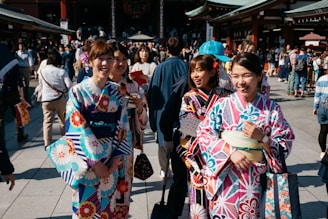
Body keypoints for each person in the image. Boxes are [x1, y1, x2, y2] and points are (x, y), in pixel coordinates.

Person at [195, 52, 295, 218]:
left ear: (259, 76)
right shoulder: (222, 105)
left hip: (256, 180)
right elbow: (204, 133)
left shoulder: (271, 108)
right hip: (225, 179)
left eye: (247, 75)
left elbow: (285, 142)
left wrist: (263, 138)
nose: (240, 82)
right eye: (235, 76)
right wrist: (230, 152)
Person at [47, 39, 131, 218]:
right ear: (90, 60)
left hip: (111, 157)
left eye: (109, 59)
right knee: (87, 208)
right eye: (100, 58)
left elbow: (123, 124)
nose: (105, 63)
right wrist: (96, 162)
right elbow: (76, 128)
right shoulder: (78, 91)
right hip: (87, 159)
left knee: (108, 207)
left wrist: (116, 159)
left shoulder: (116, 91)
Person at [177, 54, 224, 218]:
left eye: (200, 70)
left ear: (212, 72)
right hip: (198, 156)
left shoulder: (225, 96)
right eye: (192, 71)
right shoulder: (189, 98)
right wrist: (216, 130)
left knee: (222, 199)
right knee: (199, 201)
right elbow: (187, 128)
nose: (195, 75)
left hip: (223, 156)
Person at [148, 36, 189, 218]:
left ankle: (165, 169)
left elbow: (152, 94)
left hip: (163, 114)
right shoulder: (186, 67)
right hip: (184, 120)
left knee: (163, 144)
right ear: (182, 48)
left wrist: (153, 120)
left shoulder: (160, 68)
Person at [108, 40, 148, 218]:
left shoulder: (132, 86)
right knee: (104, 193)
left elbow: (144, 121)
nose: (121, 63)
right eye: (117, 59)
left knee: (124, 192)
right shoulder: (98, 86)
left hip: (126, 149)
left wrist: (140, 108)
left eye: (124, 59)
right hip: (103, 149)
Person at [39, 48, 72, 147]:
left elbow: (41, 85)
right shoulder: (61, 72)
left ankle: (47, 142)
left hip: (46, 99)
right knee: (63, 120)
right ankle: (64, 139)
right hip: (59, 99)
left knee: (47, 121)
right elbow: (69, 85)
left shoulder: (42, 71)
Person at [2, 44, 29, 143]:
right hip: (13, 92)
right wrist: (22, 96)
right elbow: (19, 81)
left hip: (2, 93)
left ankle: (2, 138)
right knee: (17, 115)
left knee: (1, 118)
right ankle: (20, 135)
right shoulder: (14, 63)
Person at [313, 72, 328, 159]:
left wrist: (315, 107)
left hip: (323, 106)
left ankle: (323, 151)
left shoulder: (321, 79)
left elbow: (317, 95)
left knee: (323, 130)